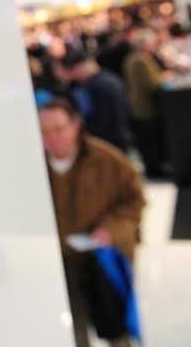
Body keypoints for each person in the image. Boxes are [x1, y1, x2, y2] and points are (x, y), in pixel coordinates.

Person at [38, 98, 146, 347]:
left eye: (58, 129)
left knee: (116, 330)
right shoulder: (33, 165)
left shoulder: (107, 160)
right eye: (44, 131)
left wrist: (110, 229)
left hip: (102, 262)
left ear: (75, 125)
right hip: (61, 266)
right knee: (73, 330)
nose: (52, 138)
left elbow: (134, 201)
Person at [122, 28, 175, 178]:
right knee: (151, 143)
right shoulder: (140, 60)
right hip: (146, 108)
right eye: (152, 43)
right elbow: (151, 84)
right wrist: (165, 78)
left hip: (141, 106)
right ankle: (155, 170)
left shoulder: (133, 58)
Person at [60, 49, 131, 153]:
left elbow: (103, 121)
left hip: (111, 141)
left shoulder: (98, 86)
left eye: (74, 70)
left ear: (79, 67)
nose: (74, 76)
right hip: (121, 135)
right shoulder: (109, 77)